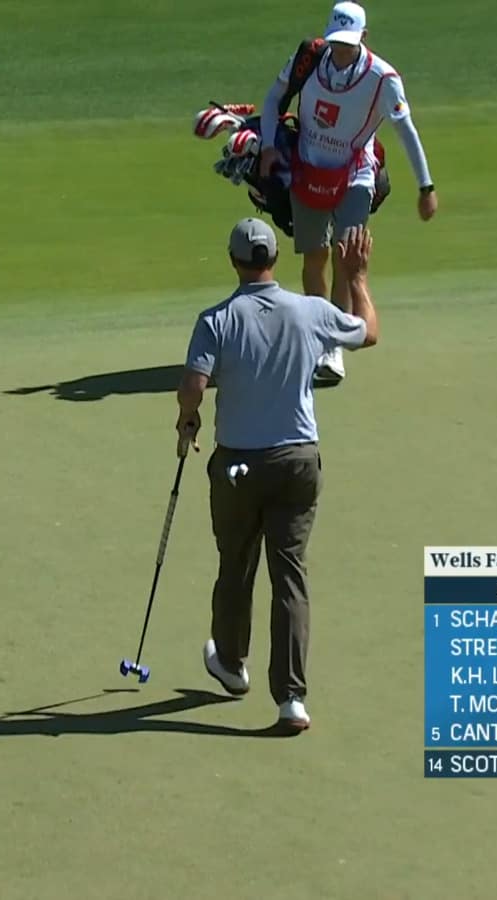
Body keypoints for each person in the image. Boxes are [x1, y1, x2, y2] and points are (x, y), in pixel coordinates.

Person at [174, 218, 378, 733]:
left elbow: (193, 383)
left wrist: (188, 419)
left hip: (239, 464)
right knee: (289, 572)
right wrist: (356, 279)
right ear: (274, 259)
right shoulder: (309, 311)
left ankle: (231, 663)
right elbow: (367, 332)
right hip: (297, 462)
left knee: (236, 565)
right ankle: (292, 699)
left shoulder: (216, 319)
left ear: (233, 261)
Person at [255, 1, 433, 386]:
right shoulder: (311, 57)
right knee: (314, 257)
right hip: (307, 169)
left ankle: (332, 348)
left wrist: (426, 186)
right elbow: (273, 99)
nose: (340, 50)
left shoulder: (383, 78)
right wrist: (269, 146)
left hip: (355, 175)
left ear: (363, 39)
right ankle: (318, 336)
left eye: (349, 43)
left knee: (345, 257)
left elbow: (407, 132)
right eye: (336, 41)